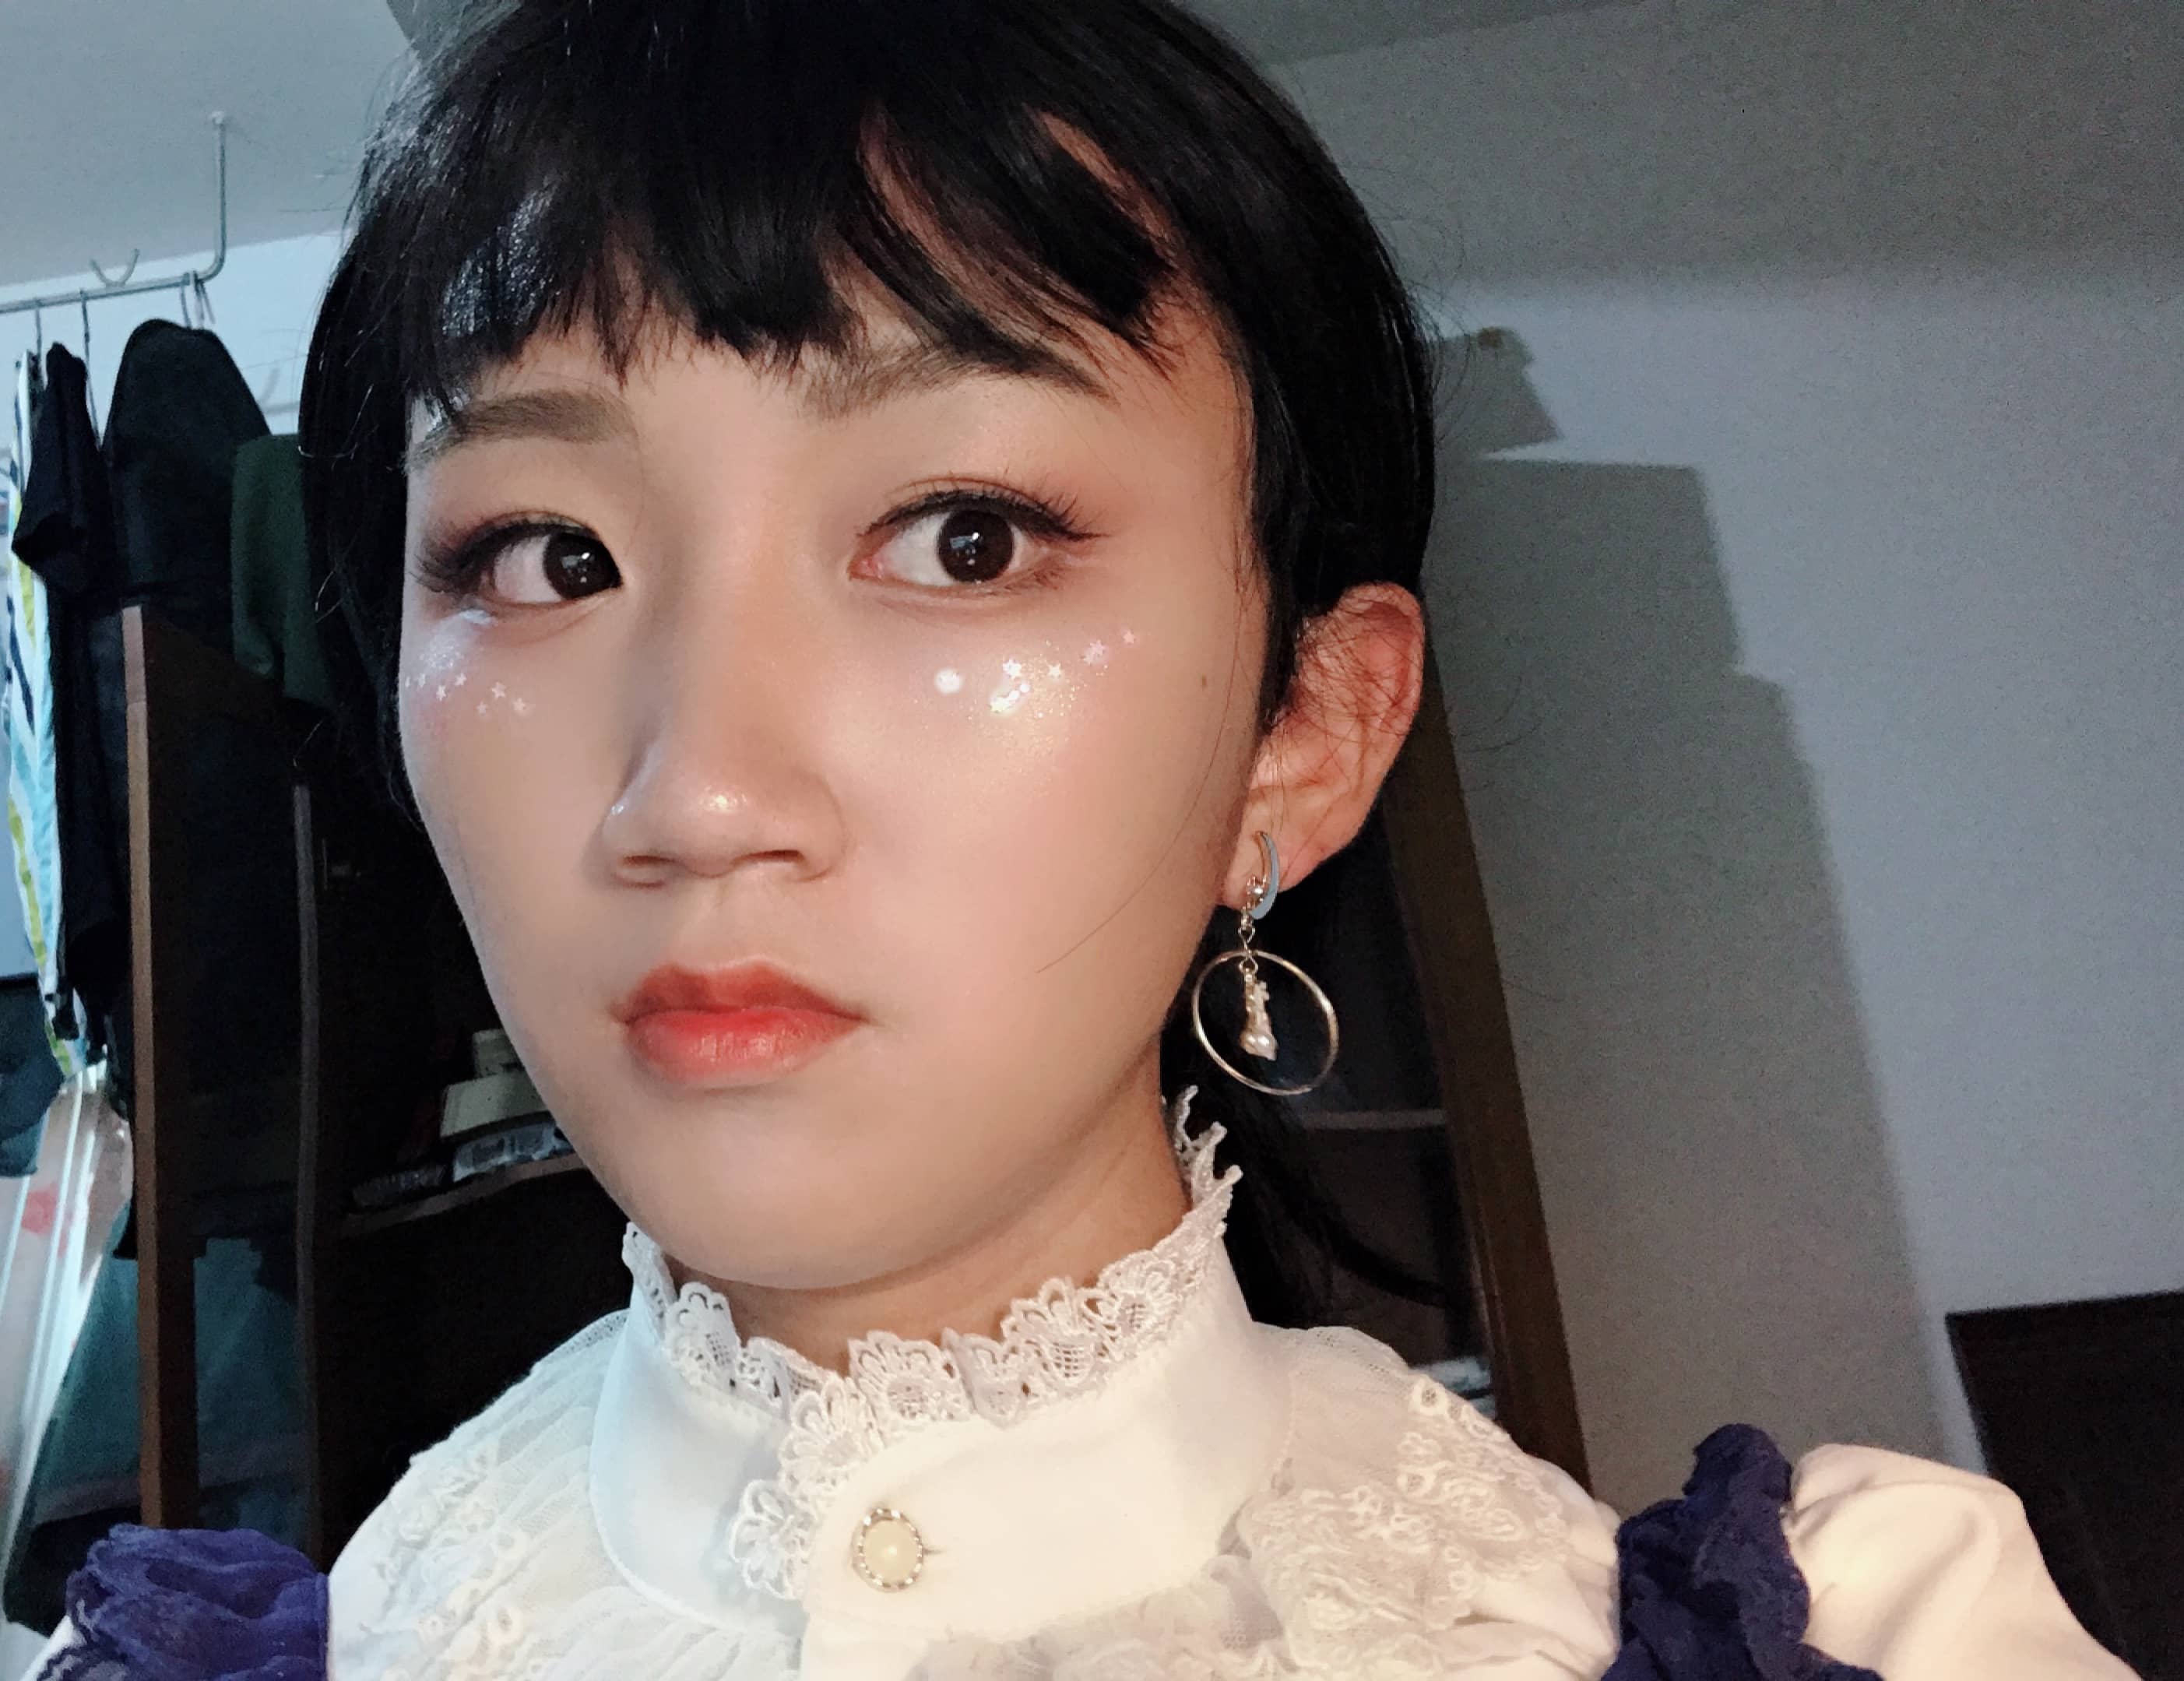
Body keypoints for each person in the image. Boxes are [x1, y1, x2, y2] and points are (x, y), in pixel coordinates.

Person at [33, 0, 2140, 1676]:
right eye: (544, 555)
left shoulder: (1843, 1635)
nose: (694, 796)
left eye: (967, 537)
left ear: (1304, 733)